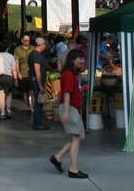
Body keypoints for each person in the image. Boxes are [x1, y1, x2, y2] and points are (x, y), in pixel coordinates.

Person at [49, 49, 89, 179]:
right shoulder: (68, 74)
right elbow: (66, 94)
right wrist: (66, 112)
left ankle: (58, 157)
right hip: (70, 108)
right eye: (80, 58)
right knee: (77, 138)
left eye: (83, 58)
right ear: (72, 60)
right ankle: (73, 170)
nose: (82, 61)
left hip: (73, 109)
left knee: (80, 137)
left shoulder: (73, 73)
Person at [0, 41, 18, 120]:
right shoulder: (10, 56)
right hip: (7, 77)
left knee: (0, 95)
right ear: (7, 48)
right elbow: (14, 69)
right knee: (8, 94)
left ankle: (2, 113)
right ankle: (8, 110)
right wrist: (15, 79)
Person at [29, 37, 49, 130]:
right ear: (41, 45)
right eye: (45, 44)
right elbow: (37, 71)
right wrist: (40, 85)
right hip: (37, 83)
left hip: (37, 82)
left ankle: (38, 122)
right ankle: (37, 123)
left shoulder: (35, 54)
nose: (46, 46)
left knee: (39, 103)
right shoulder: (36, 55)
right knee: (38, 103)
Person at [13, 35, 34, 110]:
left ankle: (31, 105)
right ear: (22, 41)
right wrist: (18, 73)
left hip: (32, 73)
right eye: (25, 40)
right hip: (23, 72)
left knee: (31, 90)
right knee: (24, 91)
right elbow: (16, 62)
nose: (27, 42)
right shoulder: (17, 49)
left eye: (28, 40)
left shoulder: (32, 48)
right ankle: (26, 104)